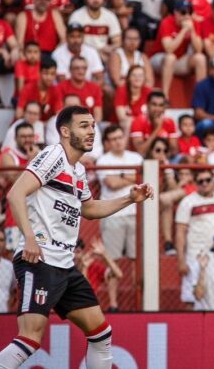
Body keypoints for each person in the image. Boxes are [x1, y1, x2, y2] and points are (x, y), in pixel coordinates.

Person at [0, 106, 153, 369]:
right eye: (84, 126)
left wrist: (129, 199)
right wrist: (30, 238)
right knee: (30, 339)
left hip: (65, 265)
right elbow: (15, 193)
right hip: (40, 259)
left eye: (92, 126)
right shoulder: (53, 155)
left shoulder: (77, 169)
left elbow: (88, 209)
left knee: (101, 334)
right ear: (65, 131)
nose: (91, 132)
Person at [96, 125, 143, 311]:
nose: (118, 141)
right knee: (111, 260)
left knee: (136, 262)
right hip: (113, 215)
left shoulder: (136, 157)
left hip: (135, 214)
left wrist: (122, 176)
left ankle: (136, 302)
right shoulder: (103, 160)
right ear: (107, 143)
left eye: (119, 137)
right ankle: (113, 304)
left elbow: (140, 181)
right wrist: (131, 177)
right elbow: (112, 183)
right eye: (113, 139)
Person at [175, 168, 214, 305]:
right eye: (200, 181)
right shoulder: (187, 202)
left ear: (213, 181)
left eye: (208, 180)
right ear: (195, 183)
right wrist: (181, 259)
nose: (204, 184)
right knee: (191, 299)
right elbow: (180, 232)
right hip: (196, 255)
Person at [151, 0, 207, 95]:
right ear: (175, 12)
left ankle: (200, 96)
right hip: (160, 59)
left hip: (180, 61)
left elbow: (198, 49)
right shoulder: (167, 22)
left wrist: (192, 31)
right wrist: (183, 31)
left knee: (200, 58)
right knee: (170, 58)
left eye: (189, 12)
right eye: (183, 12)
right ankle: (165, 96)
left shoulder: (194, 24)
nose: (186, 16)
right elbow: (169, 49)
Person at [129, 91, 179, 156]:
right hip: (142, 160)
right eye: (154, 104)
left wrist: (161, 154)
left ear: (164, 107)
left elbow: (174, 151)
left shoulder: (169, 122)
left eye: (161, 105)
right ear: (147, 105)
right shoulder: (138, 121)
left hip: (164, 159)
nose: (157, 109)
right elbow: (140, 150)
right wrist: (157, 129)